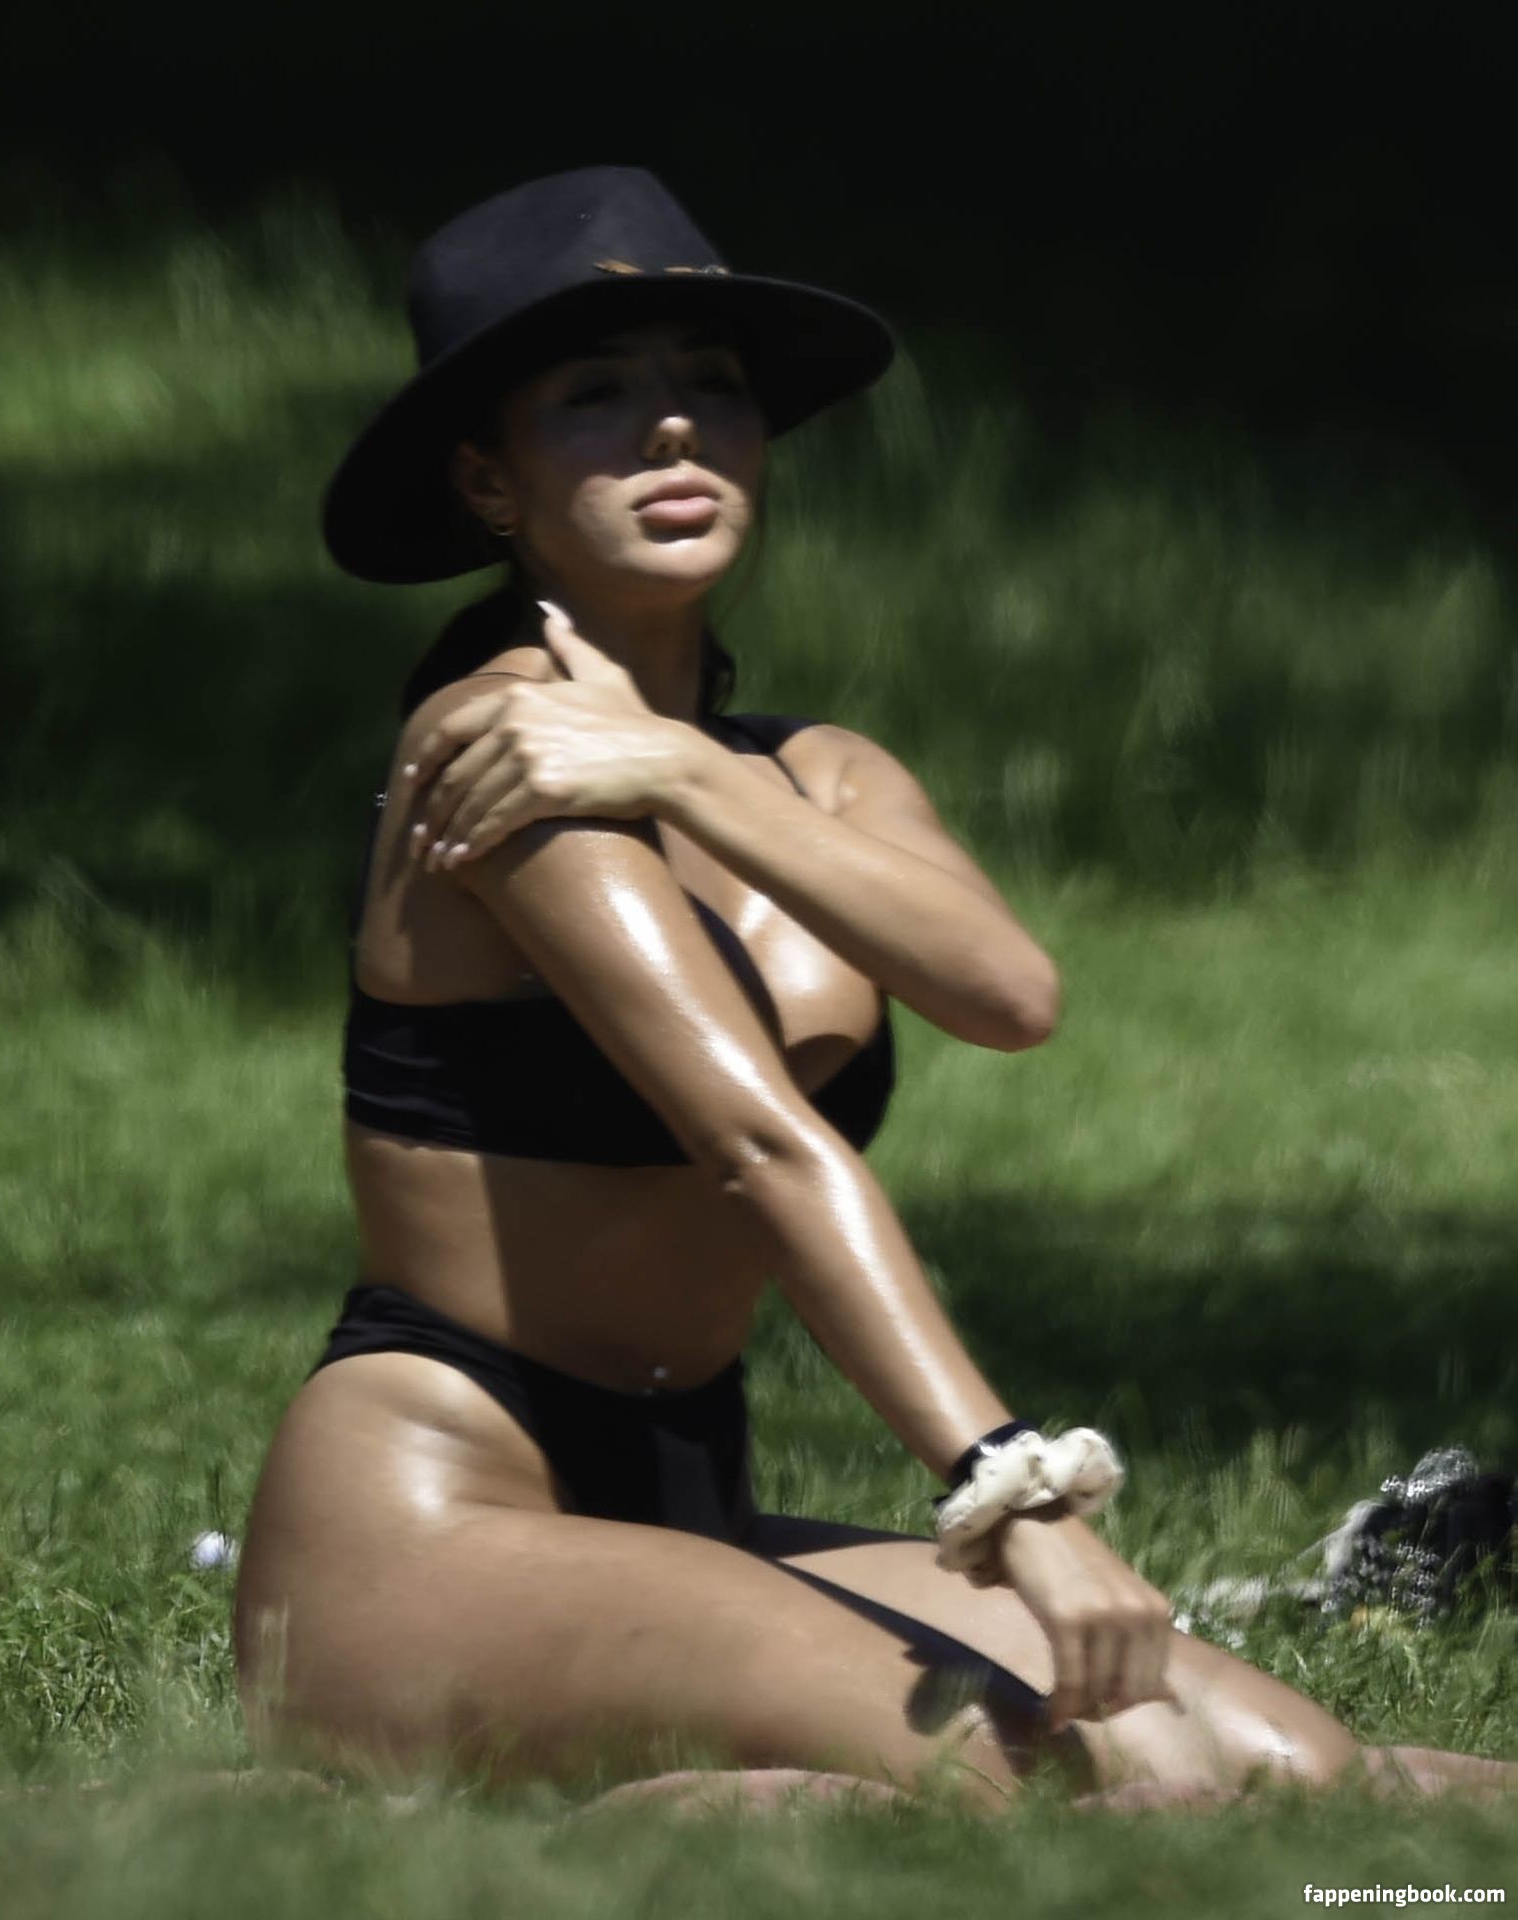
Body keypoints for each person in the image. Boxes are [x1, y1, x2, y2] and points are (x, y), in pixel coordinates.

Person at [231, 166, 1516, 1814]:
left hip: (687, 1501)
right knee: (1007, 1791)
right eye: (596, 395)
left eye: (711, 384)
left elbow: (1009, 994)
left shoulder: (815, 773)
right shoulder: (502, 749)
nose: (674, 427)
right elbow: (759, 1144)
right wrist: (1014, 1499)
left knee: (1288, 1775)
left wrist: (686, 773)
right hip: (440, 1523)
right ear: (488, 477)